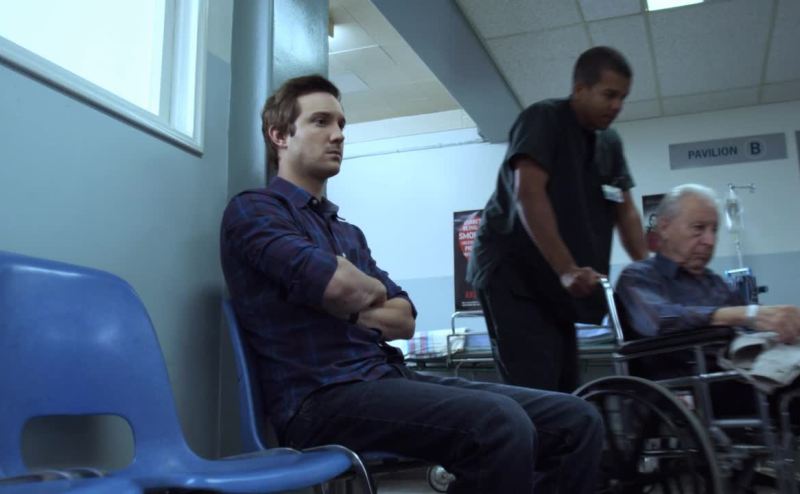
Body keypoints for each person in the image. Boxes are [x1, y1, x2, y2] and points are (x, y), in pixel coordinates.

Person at [220, 75, 603, 494]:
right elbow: (344, 288)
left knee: (577, 418)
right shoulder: (254, 211)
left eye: (342, 124)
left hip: (386, 377)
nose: (338, 135)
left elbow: (404, 318)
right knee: (500, 423)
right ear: (279, 135)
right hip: (318, 399)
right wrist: (353, 291)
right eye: (321, 122)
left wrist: (348, 297)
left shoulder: (346, 232)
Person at [467, 46, 648, 393]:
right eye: (609, 95)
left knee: (566, 391)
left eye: (622, 98)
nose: (616, 106)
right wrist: (566, 268)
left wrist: (648, 269)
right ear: (580, 89)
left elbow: (624, 209)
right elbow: (528, 192)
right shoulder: (544, 119)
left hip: (555, 283)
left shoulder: (609, 143)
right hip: (512, 275)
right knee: (536, 388)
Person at [617, 183, 800, 343]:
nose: (710, 241)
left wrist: (779, 319)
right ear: (664, 227)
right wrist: (738, 315)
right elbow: (658, 320)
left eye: (714, 230)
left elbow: (750, 316)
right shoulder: (637, 277)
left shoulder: (715, 283)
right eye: (699, 228)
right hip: (682, 371)